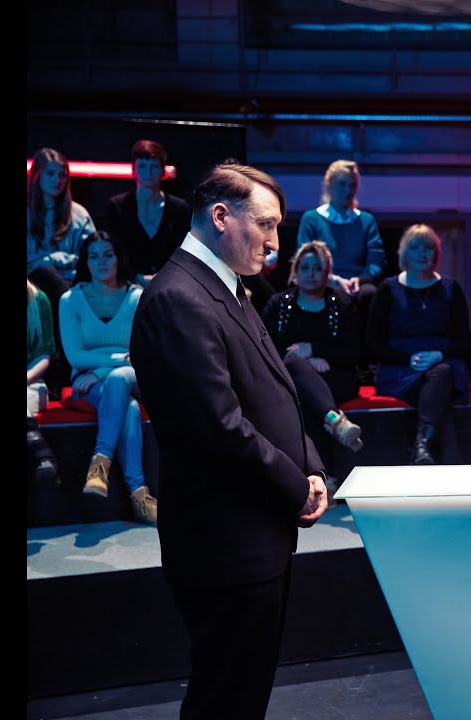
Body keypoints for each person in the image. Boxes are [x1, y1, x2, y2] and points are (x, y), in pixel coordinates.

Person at [130, 161, 328, 719]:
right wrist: (297, 487)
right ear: (221, 216)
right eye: (266, 224)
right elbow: (219, 427)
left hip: (254, 535)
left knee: (241, 697)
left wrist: (311, 467)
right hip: (225, 544)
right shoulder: (179, 298)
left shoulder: (228, 288)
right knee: (224, 702)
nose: (275, 242)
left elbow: (276, 389)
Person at [58, 231, 157, 524]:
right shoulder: (70, 300)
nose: (101, 262)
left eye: (108, 255)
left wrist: (101, 369)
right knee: (126, 406)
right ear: (85, 262)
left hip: (129, 374)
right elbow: (75, 356)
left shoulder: (136, 297)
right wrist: (115, 360)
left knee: (118, 379)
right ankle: (139, 495)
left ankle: (99, 463)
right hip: (89, 380)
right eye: (94, 256)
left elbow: (142, 353)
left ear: (118, 259)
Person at [260, 240, 365, 485]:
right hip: (291, 376)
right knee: (297, 371)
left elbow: (355, 353)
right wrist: (305, 361)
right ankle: (334, 423)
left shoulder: (342, 304)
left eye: (318, 268)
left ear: (328, 273)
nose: (311, 274)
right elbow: (264, 347)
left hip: (336, 375)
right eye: (305, 267)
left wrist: (315, 351)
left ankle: (320, 477)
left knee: (305, 396)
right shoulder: (279, 303)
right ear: (295, 270)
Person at [366, 223, 471, 465]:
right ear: (405, 252)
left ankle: (422, 446)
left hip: (443, 364)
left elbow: (463, 340)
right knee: (439, 398)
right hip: (399, 370)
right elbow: (374, 341)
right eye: (415, 248)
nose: (422, 254)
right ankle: (435, 453)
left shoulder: (451, 288)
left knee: (442, 374)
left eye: (428, 248)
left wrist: (439, 355)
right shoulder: (388, 289)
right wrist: (408, 359)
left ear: (436, 253)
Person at [27, 146, 97, 390]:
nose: (57, 180)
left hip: (72, 283)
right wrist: (45, 263)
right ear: (37, 176)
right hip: (32, 289)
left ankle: (62, 369)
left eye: (62, 175)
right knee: (45, 275)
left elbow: (92, 255)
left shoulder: (78, 214)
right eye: (50, 174)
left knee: (57, 282)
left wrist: (56, 259)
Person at [296, 159, 385, 316]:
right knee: (334, 294)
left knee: (370, 293)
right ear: (330, 185)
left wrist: (360, 279)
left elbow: (376, 260)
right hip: (323, 281)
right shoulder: (312, 219)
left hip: (358, 283)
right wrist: (334, 279)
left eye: (352, 185)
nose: (347, 190)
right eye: (342, 184)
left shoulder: (366, 220)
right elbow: (305, 260)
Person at [102, 139, 193, 287]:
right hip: (127, 286)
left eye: (154, 166)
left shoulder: (179, 208)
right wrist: (136, 277)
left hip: (171, 284)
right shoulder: (117, 207)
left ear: (162, 171)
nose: (148, 172)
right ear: (133, 170)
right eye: (142, 166)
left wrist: (163, 277)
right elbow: (112, 251)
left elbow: (184, 252)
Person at [27, 279, 60, 486]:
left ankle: (43, 456)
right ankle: (43, 455)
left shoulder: (38, 300)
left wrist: (27, 376)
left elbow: (45, 352)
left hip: (32, 381)